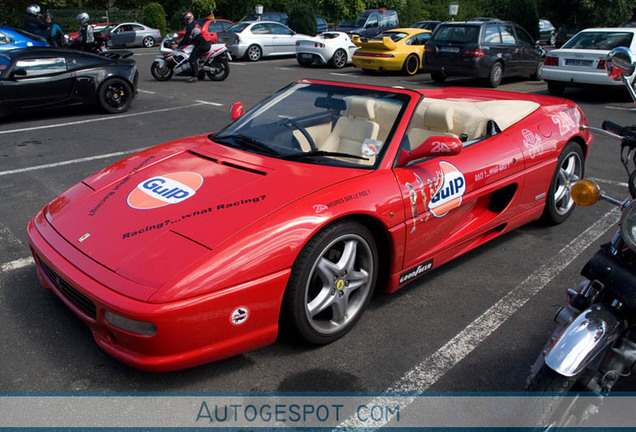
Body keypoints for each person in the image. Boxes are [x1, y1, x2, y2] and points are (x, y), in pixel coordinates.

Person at [178, 11, 212, 83]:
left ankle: (195, 76)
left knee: (192, 58)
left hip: (203, 44)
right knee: (198, 58)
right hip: (205, 42)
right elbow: (188, 37)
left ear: (188, 19)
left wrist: (178, 45)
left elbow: (187, 38)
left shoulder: (190, 26)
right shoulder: (193, 24)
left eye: (185, 20)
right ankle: (201, 74)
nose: (184, 21)